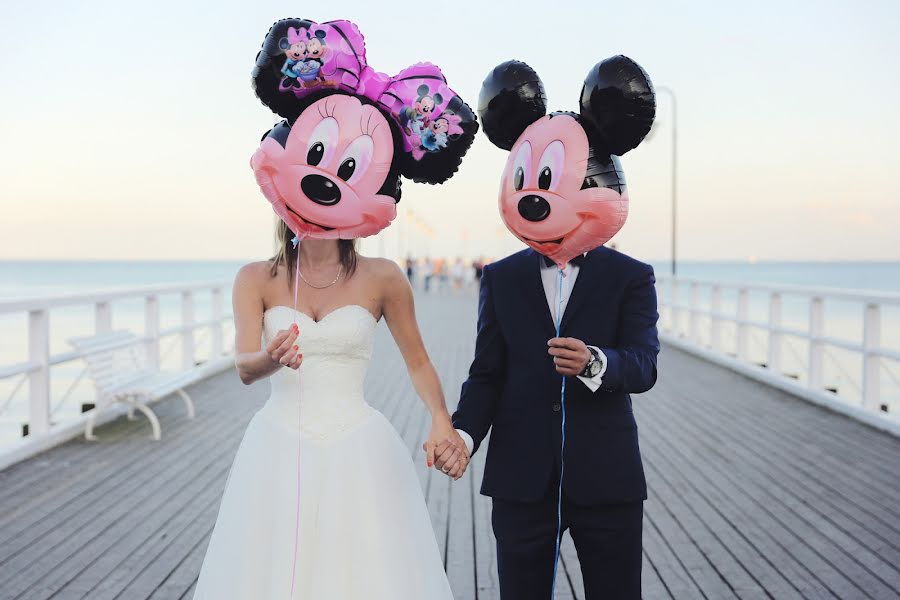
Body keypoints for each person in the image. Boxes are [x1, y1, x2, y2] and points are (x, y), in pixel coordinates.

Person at [194, 225, 470, 599]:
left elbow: (418, 361)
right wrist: (270, 358)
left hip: (356, 445)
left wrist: (440, 418)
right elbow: (245, 367)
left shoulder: (384, 276)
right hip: (278, 444)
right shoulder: (255, 277)